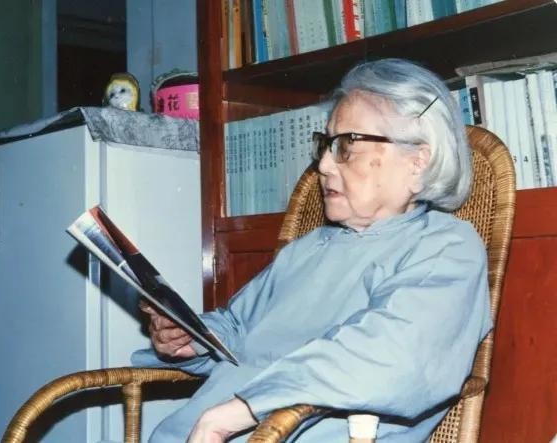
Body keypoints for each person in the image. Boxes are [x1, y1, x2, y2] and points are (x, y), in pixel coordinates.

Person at [132, 58, 492, 442]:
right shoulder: (306, 250)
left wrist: (242, 409)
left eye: (346, 146)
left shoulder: (445, 247)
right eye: (325, 145)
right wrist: (191, 337)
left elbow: (394, 356)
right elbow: (238, 328)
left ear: (417, 162)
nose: (323, 165)